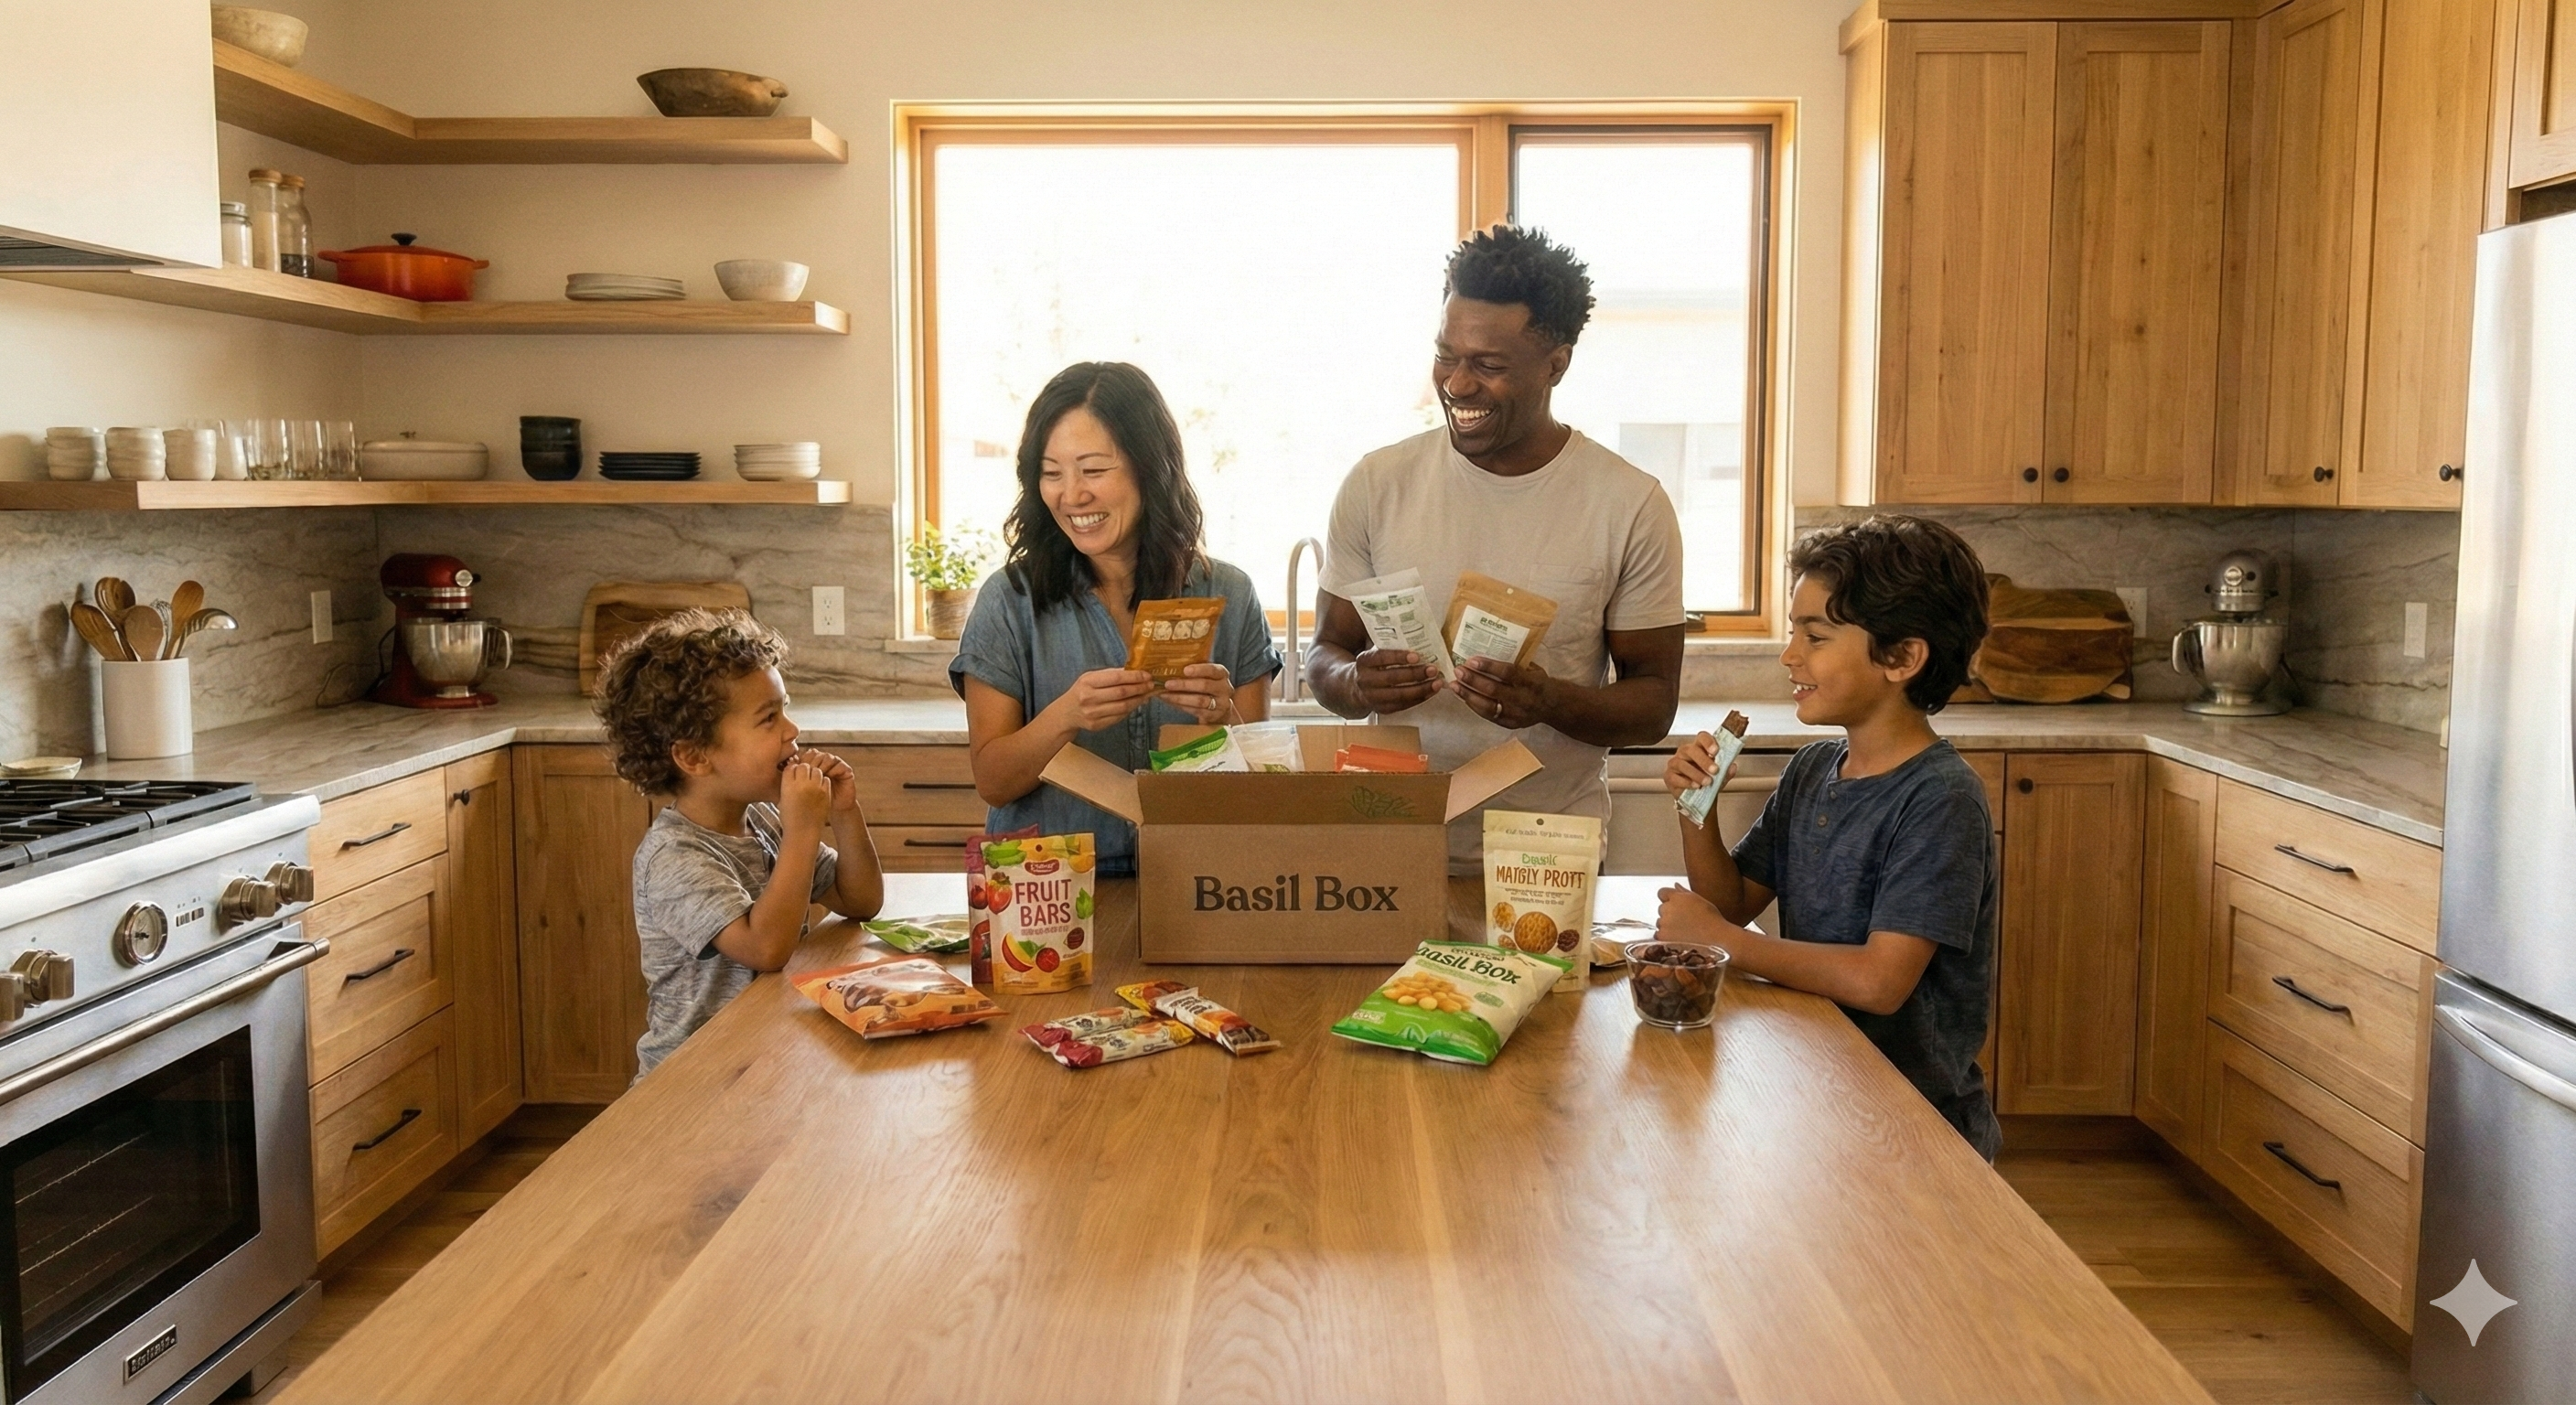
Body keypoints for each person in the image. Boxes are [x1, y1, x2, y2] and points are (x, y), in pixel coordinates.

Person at [1305, 225, 1685, 872]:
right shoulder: (1378, 484)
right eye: (1446, 355)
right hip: (1394, 835)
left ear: (1556, 365)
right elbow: (1324, 657)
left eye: (1488, 365)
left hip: (1545, 846)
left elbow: (1652, 705)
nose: (1456, 384)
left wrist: (1549, 701)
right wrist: (1356, 682)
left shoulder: (1629, 504)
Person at [1656, 517, 2001, 1159]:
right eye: (1793, 632)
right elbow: (1730, 902)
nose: (1790, 655)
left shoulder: (1940, 800)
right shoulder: (1814, 768)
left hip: (1914, 1125)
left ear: (1902, 657)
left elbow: (1879, 982)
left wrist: (1725, 944)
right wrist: (1695, 809)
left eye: (1814, 636)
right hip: (1823, 1088)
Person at [951, 361, 1282, 876]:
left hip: (1195, 882)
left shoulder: (1229, 595)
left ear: (1150, 467)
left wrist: (1224, 721)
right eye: (1052, 472)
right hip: (1051, 893)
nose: (1072, 494)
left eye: (1094, 469)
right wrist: (1066, 715)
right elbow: (994, 781)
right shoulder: (1009, 600)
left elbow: (1258, 793)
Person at [597, 608, 886, 1080]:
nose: (791, 730)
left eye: (785, 709)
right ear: (695, 756)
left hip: (764, 1059)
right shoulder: (674, 858)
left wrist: (843, 813)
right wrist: (804, 829)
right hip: (692, 1081)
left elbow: (862, 900)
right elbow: (766, 947)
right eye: (768, 718)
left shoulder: (765, 821)